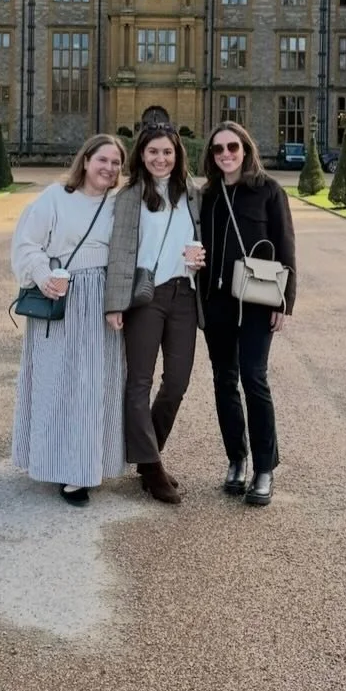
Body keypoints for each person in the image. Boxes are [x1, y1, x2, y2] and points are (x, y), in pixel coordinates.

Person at [10, 133, 127, 505]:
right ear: (86, 160)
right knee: (57, 380)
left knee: (95, 384)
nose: (108, 168)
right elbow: (27, 244)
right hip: (61, 294)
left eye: (115, 163)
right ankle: (58, 464)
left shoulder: (118, 205)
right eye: (102, 160)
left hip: (102, 299)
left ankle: (86, 467)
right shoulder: (55, 198)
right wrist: (44, 277)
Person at [105, 122, 206, 505]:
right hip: (146, 296)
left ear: (178, 155)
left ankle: (150, 457)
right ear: (141, 157)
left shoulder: (192, 195)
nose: (160, 159)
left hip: (184, 295)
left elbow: (199, 242)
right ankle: (151, 465)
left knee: (177, 383)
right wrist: (115, 303)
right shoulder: (129, 196)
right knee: (139, 383)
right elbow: (119, 252)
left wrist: (199, 258)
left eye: (167, 152)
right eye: (153, 153)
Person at [198, 120, 297, 508]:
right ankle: (236, 459)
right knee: (224, 380)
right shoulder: (207, 195)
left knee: (254, 379)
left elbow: (286, 248)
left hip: (257, 301)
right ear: (211, 155)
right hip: (218, 302)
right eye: (219, 149)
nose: (226, 155)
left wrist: (285, 302)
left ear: (246, 150)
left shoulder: (269, 191)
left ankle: (264, 467)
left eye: (232, 148)